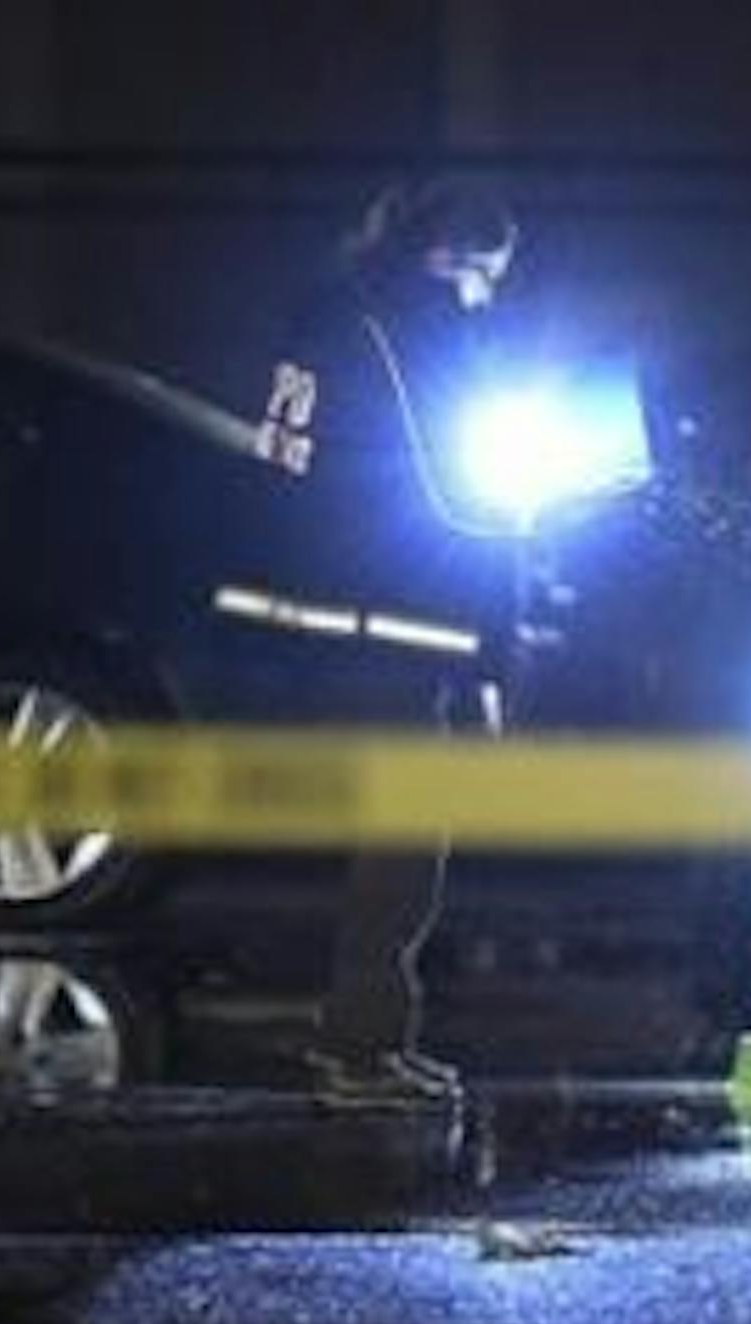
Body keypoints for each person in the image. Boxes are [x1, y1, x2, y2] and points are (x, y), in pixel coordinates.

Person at [247, 177, 521, 1106]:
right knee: (402, 847)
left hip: (345, 616)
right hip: (390, 623)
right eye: (487, 275)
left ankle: (371, 1040)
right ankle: (359, 1047)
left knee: (398, 842)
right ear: (447, 259)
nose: (488, 296)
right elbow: (454, 506)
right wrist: (495, 634)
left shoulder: (335, 317)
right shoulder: (409, 334)